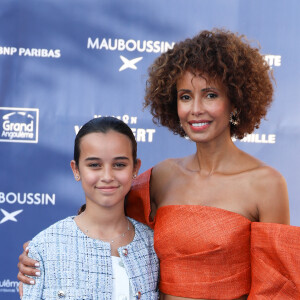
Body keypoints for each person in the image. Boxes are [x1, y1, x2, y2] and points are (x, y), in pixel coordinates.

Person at [18, 29, 300, 299]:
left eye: (211, 95)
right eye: (185, 97)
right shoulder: (162, 177)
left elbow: (276, 288)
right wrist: (47, 251)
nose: (196, 108)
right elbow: (104, 219)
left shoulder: (266, 183)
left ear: (235, 102)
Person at [20, 116, 159, 300]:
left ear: (135, 168)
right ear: (76, 170)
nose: (107, 176)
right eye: (95, 165)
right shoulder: (44, 248)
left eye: (119, 165)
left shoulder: (153, 246)